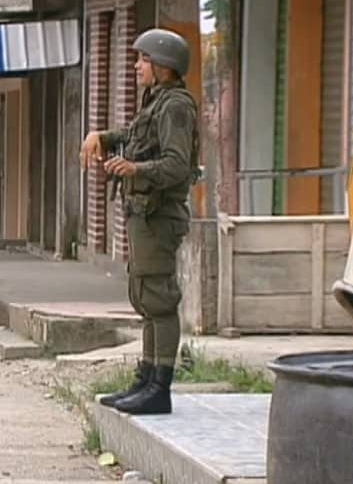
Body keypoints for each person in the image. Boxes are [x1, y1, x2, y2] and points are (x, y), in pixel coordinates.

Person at [81, 28, 199, 416]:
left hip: (160, 216)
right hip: (144, 216)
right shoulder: (157, 102)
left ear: (163, 66)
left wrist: (135, 168)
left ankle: (160, 386)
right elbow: (133, 135)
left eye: (143, 59)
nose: (136, 65)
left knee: (160, 301)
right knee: (145, 298)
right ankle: (147, 377)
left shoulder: (177, 106)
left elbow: (177, 164)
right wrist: (102, 135)